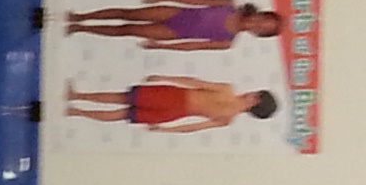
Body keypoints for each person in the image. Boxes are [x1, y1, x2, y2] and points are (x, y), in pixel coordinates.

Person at [61, 0, 284, 51]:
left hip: (173, 33)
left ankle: (80, 28)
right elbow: (196, 0)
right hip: (175, 13)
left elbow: (193, 46)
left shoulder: (227, 42)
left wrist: (162, 46)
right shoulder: (229, 4)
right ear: (262, 14)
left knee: (126, 30)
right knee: (128, 13)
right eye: (264, 21)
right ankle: (80, 16)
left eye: (264, 30)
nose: (259, 25)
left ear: (259, 34)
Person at [62, 79, 278, 133]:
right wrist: (166, 128)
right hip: (176, 111)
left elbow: (194, 82)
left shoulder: (226, 90)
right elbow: (191, 128)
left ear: (255, 100)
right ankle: (76, 110)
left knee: (123, 100)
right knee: (123, 112)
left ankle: (78, 97)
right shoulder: (227, 119)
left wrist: (167, 77)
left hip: (175, 98)